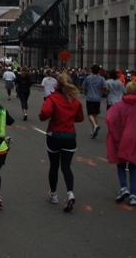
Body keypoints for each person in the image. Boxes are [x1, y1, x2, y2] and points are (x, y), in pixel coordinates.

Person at [38, 74, 84, 212]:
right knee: (66, 166)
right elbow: (80, 118)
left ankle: (53, 194)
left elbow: (44, 113)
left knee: (54, 165)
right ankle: (70, 192)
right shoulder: (75, 101)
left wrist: (47, 117)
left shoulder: (52, 98)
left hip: (54, 134)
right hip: (70, 135)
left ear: (56, 85)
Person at [105, 81, 136, 205]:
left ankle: (123, 187)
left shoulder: (119, 105)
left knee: (121, 164)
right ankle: (134, 194)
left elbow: (110, 120)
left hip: (123, 137)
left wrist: (116, 136)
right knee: (134, 167)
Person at [82, 64, 107, 138]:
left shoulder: (88, 78)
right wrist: (102, 89)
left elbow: (83, 87)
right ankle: (93, 130)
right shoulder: (101, 78)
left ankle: (95, 126)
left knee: (90, 114)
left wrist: (87, 88)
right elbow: (105, 86)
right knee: (95, 114)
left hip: (90, 97)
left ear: (92, 70)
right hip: (97, 98)